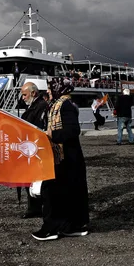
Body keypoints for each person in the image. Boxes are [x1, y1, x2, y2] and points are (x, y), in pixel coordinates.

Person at [32, 78, 89, 241]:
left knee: (52, 191)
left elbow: (73, 130)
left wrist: (51, 135)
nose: (48, 91)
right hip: (67, 158)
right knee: (67, 193)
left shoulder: (64, 106)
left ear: (58, 89)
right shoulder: (63, 104)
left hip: (66, 158)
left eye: (50, 88)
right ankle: (70, 226)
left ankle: (52, 228)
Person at [19, 82, 48, 220]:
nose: (23, 98)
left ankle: (38, 207)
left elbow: (36, 124)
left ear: (33, 93)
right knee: (30, 178)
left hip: (37, 147)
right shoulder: (34, 106)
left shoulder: (41, 106)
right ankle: (34, 206)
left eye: (25, 95)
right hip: (30, 146)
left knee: (37, 179)